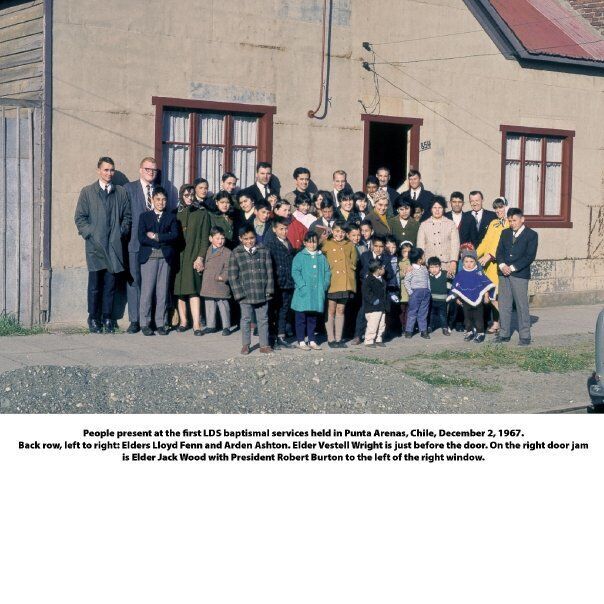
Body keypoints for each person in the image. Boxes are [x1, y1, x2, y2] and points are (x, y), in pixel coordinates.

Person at [74, 156, 132, 334]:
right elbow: (80, 218)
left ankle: (108, 317)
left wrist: (121, 232)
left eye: (111, 170)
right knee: (94, 286)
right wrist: (90, 234)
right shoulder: (87, 192)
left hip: (114, 248)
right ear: (98, 170)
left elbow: (127, 216)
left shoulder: (120, 192)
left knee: (110, 285)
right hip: (95, 247)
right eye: (106, 170)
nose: (109, 173)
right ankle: (93, 318)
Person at [123, 156, 159, 334]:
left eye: (153, 170)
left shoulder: (159, 190)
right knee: (134, 281)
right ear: (140, 170)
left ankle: (148, 320)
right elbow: (124, 215)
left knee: (150, 283)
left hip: (153, 245)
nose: (150, 172)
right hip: (134, 244)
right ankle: (134, 320)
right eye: (147, 169)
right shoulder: (129, 188)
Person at [137, 186, 179, 336]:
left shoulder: (171, 217)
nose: (161, 202)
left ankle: (161, 323)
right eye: (158, 199)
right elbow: (141, 237)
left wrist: (156, 237)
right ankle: (145, 323)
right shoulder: (144, 216)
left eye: (163, 199)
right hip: (149, 258)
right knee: (147, 292)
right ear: (152, 200)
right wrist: (161, 241)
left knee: (162, 291)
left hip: (165, 259)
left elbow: (174, 235)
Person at [495, 207, 538, 346]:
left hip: (519, 274)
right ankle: (504, 333)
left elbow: (529, 256)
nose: (512, 223)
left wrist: (512, 268)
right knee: (504, 305)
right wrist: (502, 266)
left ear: (522, 219)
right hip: (503, 273)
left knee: (521, 305)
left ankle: (525, 335)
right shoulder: (505, 233)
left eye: (514, 220)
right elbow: (499, 252)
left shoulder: (531, 235)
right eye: (510, 220)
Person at [228, 225, 274, 355]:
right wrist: (239, 294)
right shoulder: (236, 253)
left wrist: (269, 290)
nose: (249, 241)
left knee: (263, 319)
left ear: (256, 237)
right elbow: (232, 276)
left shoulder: (264, 251)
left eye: (252, 238)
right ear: (240, 239)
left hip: (262, 292)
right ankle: (246, 344)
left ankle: (264, 344)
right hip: (245, 293)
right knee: (246, 319)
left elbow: (269, 272)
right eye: (246, 239)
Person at [173, 183, 210, 336]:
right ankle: (183, 321)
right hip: (178, 257)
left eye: (191, 195)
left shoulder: (201, 213)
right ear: (181, 196)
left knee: (193, 290)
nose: (189, 198)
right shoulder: (175, 213)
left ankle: (196, 324)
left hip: (193, 256)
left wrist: (200, 257)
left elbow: (204, 239)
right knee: (180, 291)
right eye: (186, 195)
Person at [291, 231, 331, 350]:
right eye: (309, 242)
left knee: (312, 319)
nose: (312, 244)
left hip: (316, 293)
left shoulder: (321, 257)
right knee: (301, 318)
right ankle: (301, 340)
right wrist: (302, 285)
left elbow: (327, 272)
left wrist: (325, 284)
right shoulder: (300, 256)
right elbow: (295, 272)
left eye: (314, 242)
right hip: (303, 293)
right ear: (304, 243)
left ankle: (312, 340)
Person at [476, 197, 510, 334]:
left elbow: (502, 244)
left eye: (501, 207)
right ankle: (497, 322)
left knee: (495, 296)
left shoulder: (509, 223)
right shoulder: (493, 223)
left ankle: (501, 324)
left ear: (506, 207)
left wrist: (490, 255)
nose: (498, 210)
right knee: (490, 296)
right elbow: (485, 242)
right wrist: (473, 255)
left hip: (499, 265)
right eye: (496, 208)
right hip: (488, 267)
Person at [322, 221, 357, 348]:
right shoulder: (326, 243)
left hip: (345, 282)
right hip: (333, 281)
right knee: (331, 310)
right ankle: (331, 339)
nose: (340, 234)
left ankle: (338, 339)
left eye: (342, 232)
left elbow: (353, 261)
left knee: (341, 310)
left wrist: (350, 268)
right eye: (337, 231)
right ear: (332, 231)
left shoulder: (350, 245)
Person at [351, 236, 391, 345]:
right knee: (363, 312)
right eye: (376, 246)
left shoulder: (387, 258)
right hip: (368, 288)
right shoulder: (365, 256)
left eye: (381, 246)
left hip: (380, 289)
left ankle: (378, 337)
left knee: (380, 317)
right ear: (372, 246)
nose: (378, 249)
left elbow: (390, 274)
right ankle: (358, 335)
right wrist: (367, 275)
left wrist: (383, 272)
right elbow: (360, 271)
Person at [449, 249, 495, 343]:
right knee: (467, 318)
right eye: (466, 261)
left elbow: (485, 285)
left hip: (478, 301)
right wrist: (457, 298)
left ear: (476, 262)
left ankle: (480, 333)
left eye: (471, 261)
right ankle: (469, 331)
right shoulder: (461, 274)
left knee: (478, 318)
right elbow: (456, 287)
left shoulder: (478, 273)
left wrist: (486, 296)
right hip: (465, 301)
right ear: (462, 262)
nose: (469, 264)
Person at [265, 217, 295, 349]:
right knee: (273, 311)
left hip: (287, 282)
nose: (284, 231)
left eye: (286, 228)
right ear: (274, 229)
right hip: (276, 283)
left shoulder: (289, 243)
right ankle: (271, 338)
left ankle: (281, 336)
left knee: (284, 310)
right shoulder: (270, 244)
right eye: (281, 229)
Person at [416, 196, 460, 279]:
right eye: (434, 207)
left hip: (447, 265)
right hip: (429, 266)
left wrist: (453, 262)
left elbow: (455, 245)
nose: (437, 210)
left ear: (443, 209)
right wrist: (422, 264)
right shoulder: (424, 225)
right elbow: (420, 247)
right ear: (431, 209)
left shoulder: (450, 224)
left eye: (440, 207)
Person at [200, 226, 232, 336]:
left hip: (220, 284)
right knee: (209, 304)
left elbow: (229, 268)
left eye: (222, 238)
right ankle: (210, 325)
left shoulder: (227, 252)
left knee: (223, 305)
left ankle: (226, 326)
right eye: (217, 238)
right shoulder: (207, 250)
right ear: (210, 238)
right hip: (208, 282)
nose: (220, 241)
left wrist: (222, 277)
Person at [403, 247, 430, 339]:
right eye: (424, 256)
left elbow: (427, 279)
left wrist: (428, 290)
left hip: (425, 293)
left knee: (423, 313)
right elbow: (406, 281)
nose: (425, 257)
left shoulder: (424, 268)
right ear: (419, 260)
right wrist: (411, 292)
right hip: (415, 293)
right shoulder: (411, 269)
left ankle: (423, 331)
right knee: (412, 312)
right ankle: (409, 331)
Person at [362, 259, 389, 348]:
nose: (384, 269)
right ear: (378, 269)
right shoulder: (368, 280)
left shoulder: (382, 279)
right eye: (383, 268)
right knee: (373, 324)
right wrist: (373, 300)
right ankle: (369, 340)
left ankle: (378, 339)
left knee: (381, 324)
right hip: (373, 307)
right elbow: (366, 292)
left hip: (381, 307)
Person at [427, 256, 451, 335]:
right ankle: (430, 326)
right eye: (431, 267)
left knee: (442, 315)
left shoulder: (444, 274)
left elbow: (451, 277)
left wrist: (450, 274)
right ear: (428, 268)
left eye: (436, 267)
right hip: (432, 300)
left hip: (442, 300)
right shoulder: (428, 276)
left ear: (440, 267)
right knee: (431, 314)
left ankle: (444, 327)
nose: (434, 269)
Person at [398, 242, 413, 333]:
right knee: (402, 310)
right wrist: (402, 274)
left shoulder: (413, 262)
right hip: (403, 289)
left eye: (409, 252)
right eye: (404, 251)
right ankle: (402, 326)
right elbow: (398, 274)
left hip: (411, 289)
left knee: (410, 310)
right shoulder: (400, 262)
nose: (407, 254)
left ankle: (408, 326)